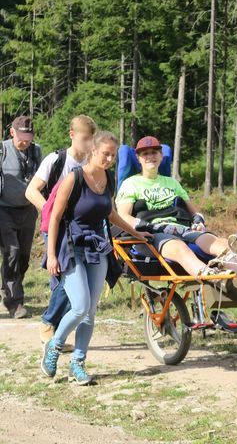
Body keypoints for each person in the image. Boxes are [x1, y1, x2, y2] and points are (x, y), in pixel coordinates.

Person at [41, 131, 150, 385]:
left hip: (97, 247)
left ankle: (77, 363)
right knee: (79, 306)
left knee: (89, 311)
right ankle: (54, 347)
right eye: (105, 154)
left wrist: (136, 232)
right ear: (93, 151)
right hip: (70, 246)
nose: (110, 158)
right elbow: (55, 218)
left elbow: (110, 213)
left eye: (113, 155)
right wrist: (50, 256)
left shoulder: (108, 178)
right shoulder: (74, 178)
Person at [115, 136, 237, 278]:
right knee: (180, 248)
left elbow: (194, 211)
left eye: (154, 152)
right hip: (151, 234)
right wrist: (149, 227)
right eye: (145, 153)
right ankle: (212, 277)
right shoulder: (130, 184)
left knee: (220, 243)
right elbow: (123, 217)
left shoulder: (172, 183)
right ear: (138, 158)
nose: (150, 157)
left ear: (161, 155)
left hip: (179, 229)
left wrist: (198, 220)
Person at [26, 115, 96, 346]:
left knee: (74, 279)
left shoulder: (91, 161)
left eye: (91, 140)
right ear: (72, 135)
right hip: (56, 225)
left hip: (81, 227)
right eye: (85, 139)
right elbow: (31, 190)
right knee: (63, 276)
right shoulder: (57, 159)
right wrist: (50, 210)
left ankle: (52, 325)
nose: (88, 145)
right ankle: (49, 324)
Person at [0, 116, 42, 318]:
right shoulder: (2, 150)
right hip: (4, 210)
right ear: (12, 132)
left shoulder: (36, 151)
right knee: (12, 253)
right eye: (21, 137)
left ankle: (9, 286)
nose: (24, 141)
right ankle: (14, 302)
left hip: (28, 210)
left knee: (23, 258)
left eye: (28, 137)